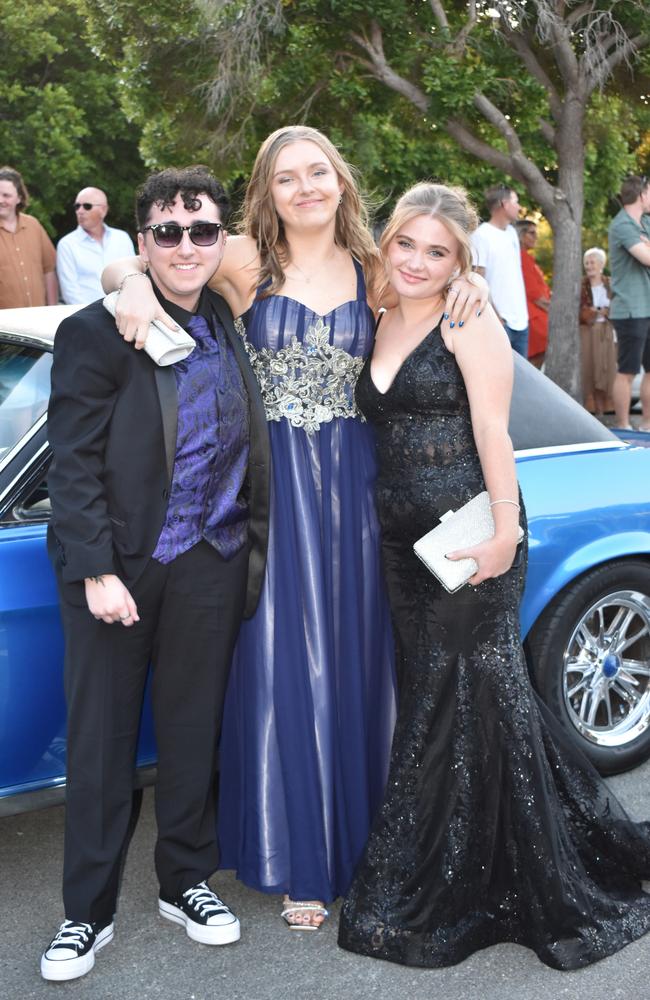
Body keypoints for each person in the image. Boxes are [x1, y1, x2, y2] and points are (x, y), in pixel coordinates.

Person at [102, 125, 488, 929]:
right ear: (267, 192)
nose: (305, 187)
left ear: (342, 182)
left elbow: (438, 305)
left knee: (353, 663)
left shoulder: (378, 271)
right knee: (279, 664)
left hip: (356, 493)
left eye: (318, 172)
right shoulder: (243, 261)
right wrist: (129, 286)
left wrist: (470, 286)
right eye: (287, 178)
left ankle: (357, 845)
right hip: (269, 493)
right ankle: (299, 857)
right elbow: (139, 262)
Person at [339, 182, 650, 970]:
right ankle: (482, 862)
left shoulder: (465, 318)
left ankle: (439, 884)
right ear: (388, 240)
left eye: (437, 252)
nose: (416, 261)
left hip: (473, 540)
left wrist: (507, 532)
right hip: (402, 546)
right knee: (463, 702)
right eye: (406, 243)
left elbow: (491, 431)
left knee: (458, 702)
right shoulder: (375, 311)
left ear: (460, 262)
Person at [41, 166, 270, 981]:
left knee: (191, 733)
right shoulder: (98, 332)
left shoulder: (230, 316)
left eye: (200, 229)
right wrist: (97, 570)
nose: (185, 245)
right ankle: (86, 913)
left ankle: (186, 880)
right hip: (120, 573)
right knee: (102, 745)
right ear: (143, 242)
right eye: (166, 232)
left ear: (220, 239)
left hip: (212, 562)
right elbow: (72, 465)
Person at [608, 175, 650, 431]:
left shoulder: (645, 222)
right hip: (630, 310)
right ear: (641, 195)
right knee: (627, 371)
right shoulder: (621, 225)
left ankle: (647, 425)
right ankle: (623, 427)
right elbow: (646, 257)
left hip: (648, 308)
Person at [471, 182, 529, 356]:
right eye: (515, 201)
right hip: (500, 323)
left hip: (521, 322)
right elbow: (476, 279)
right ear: (504, 204)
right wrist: (496, 317)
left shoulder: (511, 232)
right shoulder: (481, 235)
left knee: (523, 382)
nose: (519, 207)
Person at [56, 187, 135, 304]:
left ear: (103, 210)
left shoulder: (122, 238)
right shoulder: (67, 244)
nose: (80, 211)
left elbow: (134, 277)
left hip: (125, 313)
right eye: (77, 206)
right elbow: (70, 292)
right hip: (86, 316)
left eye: (87, 206)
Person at [0, 165, 58, 308]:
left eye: (6, 195)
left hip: (36, 319)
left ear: (19, 198)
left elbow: (49, 270)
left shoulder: (34, 225)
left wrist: (52, 309)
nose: (0, 200)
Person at [579, 247, 617, 415]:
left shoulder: (611, 284)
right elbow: (579, 311)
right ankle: (595, 411)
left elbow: (617, 306)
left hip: (607, 332)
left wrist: (605, 311)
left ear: (601, 264)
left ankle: (606, 409)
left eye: (592, 262)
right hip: (587, 331)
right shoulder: (581, 285)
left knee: (606, 369)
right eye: (586, 262)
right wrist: (593, 311)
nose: (589, 265)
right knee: (589, 369)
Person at [516, 219, 550, 368]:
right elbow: (534, 294)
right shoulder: (521, 257)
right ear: (521, 236)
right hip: (534, 316)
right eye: (531, 233)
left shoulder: (528, 258)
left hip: (538, 313)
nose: (536, 237)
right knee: (532, 365)